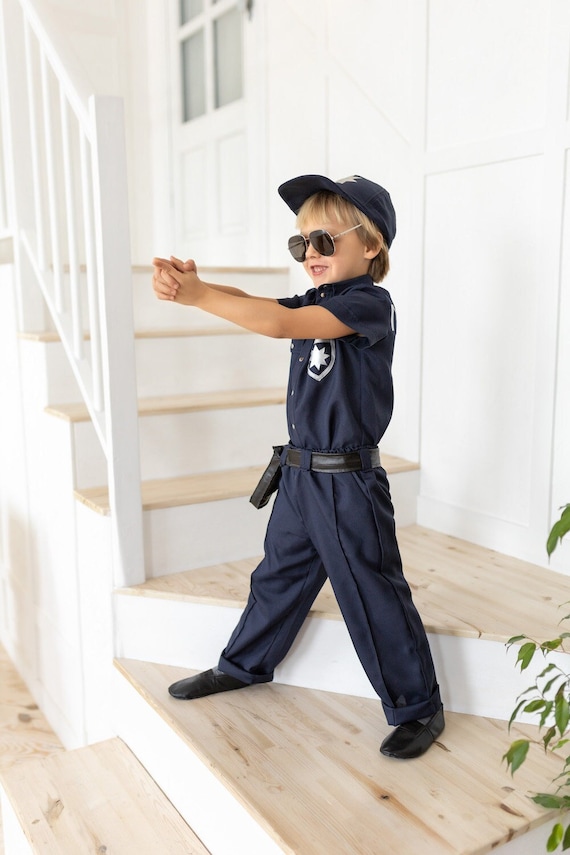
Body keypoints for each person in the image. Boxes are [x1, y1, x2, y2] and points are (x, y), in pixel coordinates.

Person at [152, 174, 444, 759]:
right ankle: (244, 666)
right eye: (300, 245)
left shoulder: (367, 305)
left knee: (370, 589)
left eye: (325, 241)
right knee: (279, 576)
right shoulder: (318, 300)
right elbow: (268, 306)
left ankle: (418, 707)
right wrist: (202, 285)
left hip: (347, 481)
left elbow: (278, 323)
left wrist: (199, 299)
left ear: (372, 246)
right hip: (301, 476)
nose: (311, 254)